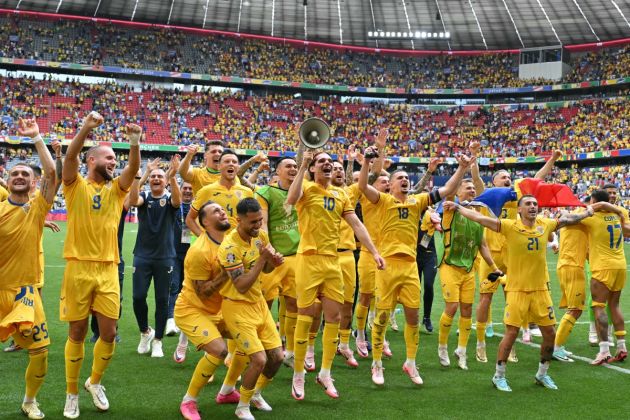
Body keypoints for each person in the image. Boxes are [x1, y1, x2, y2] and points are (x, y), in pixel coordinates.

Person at [445, 194, 594, 392]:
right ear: (520, 210)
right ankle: (499, 376)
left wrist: (588, 212)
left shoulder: (546, 224)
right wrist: (458, 208)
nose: (533, 206)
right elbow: (483, 219)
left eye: (535, 203)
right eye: (528, 204)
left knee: (549, 333)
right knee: (511, 333)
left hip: (541, 291)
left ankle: (542, 374)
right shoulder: (510, 226)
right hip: (516, 290)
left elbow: (567, 219)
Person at [359, 146, 472, 386]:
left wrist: (462, 168)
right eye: (399, 178)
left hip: (410, 266)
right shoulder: (383, 200)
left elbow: (449, 189)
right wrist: (367, 162)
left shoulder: (418, 201)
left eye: (406, 178)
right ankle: (376, 363)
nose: (404, 180)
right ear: (389, 184)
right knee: (381, 317)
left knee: (413, 315)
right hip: (387, 266)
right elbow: (362, 187)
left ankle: (410, 362)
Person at [60, 112, 141, 418]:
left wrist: (134, 141)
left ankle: (94, 382)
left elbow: (133, 168)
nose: (113, 162)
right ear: (91, 160)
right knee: (77, 333)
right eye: (107, 158)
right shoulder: (74, 185)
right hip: (78, 267)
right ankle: (71, 392)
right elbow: (70, 157)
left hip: (108, 269)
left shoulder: (116, 190)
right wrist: (85, 128)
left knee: (108, 333)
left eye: (114, 159)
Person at [286, 148, 384, 401]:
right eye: (321, 162)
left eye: (330, 161)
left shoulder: (341, 194)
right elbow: (291, 198)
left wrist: (373, 252)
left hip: (332, 263)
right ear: (312, 169)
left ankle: (325, 372)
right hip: (308, 259)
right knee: (306, 316)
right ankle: (299, 373)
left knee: (334, 316)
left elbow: (356, 225)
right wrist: (303, 164)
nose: (327, 165)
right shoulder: (306, 188)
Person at [473, 150, 562, 361]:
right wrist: (474, 159)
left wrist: (553, 159)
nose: (507, 179)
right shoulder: (487, 195)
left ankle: (511, 343)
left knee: (510, 297)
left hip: (511, 256)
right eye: (503, 176)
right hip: (492, 256)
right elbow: (476, 178)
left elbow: (537, 178)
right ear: (494, 181)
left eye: (508, 177)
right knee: (485, 296)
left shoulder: (518, 198)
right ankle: (480, 341)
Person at [0, 117, 56, 419]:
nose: (20, 176)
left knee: (40, 352)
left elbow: (51, 172)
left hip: (25, 292)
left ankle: (29, 400)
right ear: (7, 180)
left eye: (25, 174)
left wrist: (36, 138)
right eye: (14, 173)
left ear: (33, 184)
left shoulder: (37, 208)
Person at [218, 198, 285, 420]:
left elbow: (265, 269)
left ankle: (254, 393)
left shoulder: (260, 237)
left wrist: (272, 262)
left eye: (260, 220)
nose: (258, 225)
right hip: (236, 307)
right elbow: (241, 286)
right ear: (239, 220)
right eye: (253, 222)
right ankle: (242, 407)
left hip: (258, 305)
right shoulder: (229, 247)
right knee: (259, 360)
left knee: (277, 357)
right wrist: (261, 261)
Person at [175, 201, 242, 420]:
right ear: (204, 222)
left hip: (220, 308)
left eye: (223, 209)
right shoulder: (199, 251)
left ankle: (227, 391)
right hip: (192, 310)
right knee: (219, 351)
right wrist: (227, 272)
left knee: (252, 343)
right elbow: (202, 292)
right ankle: (189, 401)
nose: (223, 211)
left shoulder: (231, 239)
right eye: (216, 210)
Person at [436, 179, 501, 370]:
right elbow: (448, 193)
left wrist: (494, 267)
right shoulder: (450, 209)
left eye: (474, 188)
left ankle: (462, 351)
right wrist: (463, 167)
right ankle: (442, 347)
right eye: (468, 188)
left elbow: (482, 245)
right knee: (452, 307)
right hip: (450, 266)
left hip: (468, 269)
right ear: (458, 191)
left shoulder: (477, 215)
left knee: (467, 310)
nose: (473, 190)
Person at [128, 155, 181, 358]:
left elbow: (177, 202)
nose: (156, 179)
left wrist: (173, 176)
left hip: (165, 257)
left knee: (161, 300)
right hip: (142, 255)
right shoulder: (145, 198)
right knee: (138, 297)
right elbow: (132, 200)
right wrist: (142, 174)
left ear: (166, 181)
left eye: (160, 176)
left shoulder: (169, 198)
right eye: (153, 177)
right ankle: (145, 332)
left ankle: (158, 340)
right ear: (149, 180)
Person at [255, 158, 300, 368]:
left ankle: (290, 351)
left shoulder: (303, 191)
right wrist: (269, 249)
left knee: (293, 304)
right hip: (273, 258)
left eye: (295, 166)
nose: (292, 169)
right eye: (288, 166)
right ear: (278, 171)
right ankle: (258, 348)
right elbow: (262, 223)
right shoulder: (265, 192)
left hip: (296, 257)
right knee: (264, 306)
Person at [579, 190, 628, 364]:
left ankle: (604, 350)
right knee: (614, 305)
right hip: (620, 265)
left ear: (593, 200)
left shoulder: (591, 218)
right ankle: (622, 347)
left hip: (602, 267)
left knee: (598, 307)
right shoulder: (617, 215)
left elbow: (572, 219)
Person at [331, 160, 361, 367]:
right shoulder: (314, 191)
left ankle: (343, 343)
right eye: (334, 168)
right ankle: (311, 347)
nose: (338, 171)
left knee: (348, 303)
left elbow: (371, 176)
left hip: (348, 255)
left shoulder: (348, 193)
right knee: (318, 306)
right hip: (324, 255)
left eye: (340, 168)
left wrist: (359, 160)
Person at [186, 149, 254, 236]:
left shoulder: (247, 192)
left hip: (237, 247)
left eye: (234, 162)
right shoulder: (206, 191)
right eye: (227, 161)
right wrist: (205, 238)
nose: (231, 164)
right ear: (219, 167)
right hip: (214, 247)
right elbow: (190, 219)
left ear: (238, 167)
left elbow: (251, 220)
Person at [552, 203, 589, 362]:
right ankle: (556, 348)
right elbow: (564, 217)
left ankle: (558, 346)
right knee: (575, 309)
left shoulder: (576, 219)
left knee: (574, 309)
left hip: (569, 266)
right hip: (572, 267)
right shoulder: (581, 216)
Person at [170, 181, 194, 362]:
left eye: (190, 188)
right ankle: (172, 320)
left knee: (190, 290)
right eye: (184, 188)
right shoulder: (174, 205)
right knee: (174, 287)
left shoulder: (199, 207)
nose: (187, 191)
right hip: (174, 253)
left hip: (193, 254)